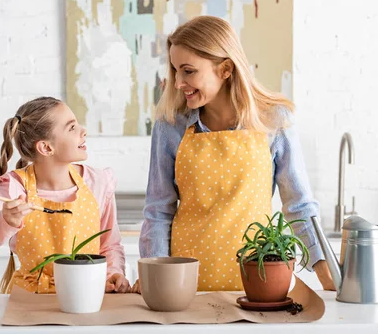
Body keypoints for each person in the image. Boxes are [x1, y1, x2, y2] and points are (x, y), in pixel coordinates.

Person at [137, 16, 334, 292]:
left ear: (226, 69)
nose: (179, 82)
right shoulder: (170, 126)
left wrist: (328, 274)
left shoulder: (274, 121)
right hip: (185, 287)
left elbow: (299, 205)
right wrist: (154, 276)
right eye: (175, 70)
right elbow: (158, 211)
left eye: (188, 71)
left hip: (261, 285)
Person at [0, 96, 130, 294]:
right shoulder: (15, 188)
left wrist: (114, 273)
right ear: (46, 147)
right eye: (71, 128)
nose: (83, 130)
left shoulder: (98, 183)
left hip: (86, 294)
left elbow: (109, 245)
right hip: (30, 300)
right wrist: (5, 222)